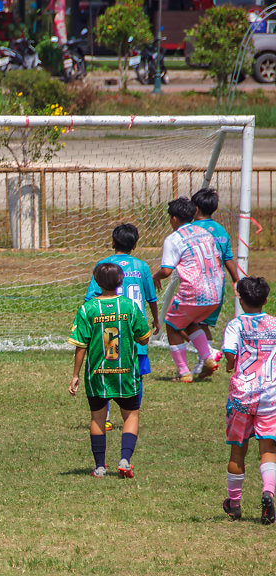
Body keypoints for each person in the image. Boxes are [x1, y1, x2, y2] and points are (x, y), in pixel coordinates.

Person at [69, 262, 152, 478]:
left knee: (97, 418)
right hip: (125, 372)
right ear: (121, 282)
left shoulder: (87, 309)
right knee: (131, 415)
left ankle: (100, 467)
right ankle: (124, 459)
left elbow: (81, 345)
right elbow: (143, 336)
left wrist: (76, 375)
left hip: (97, 374)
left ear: (96, 282)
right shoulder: (130, 306)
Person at [85, 224, 160, 431]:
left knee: (108, 368)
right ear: (135, 245)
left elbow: (90, 297)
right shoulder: (143, 267)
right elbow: (151, 297)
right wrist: (156, 319)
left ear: (113, 242)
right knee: (137, 373)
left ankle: (105, 417)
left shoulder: (103, 264)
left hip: (111, 329)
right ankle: (132, 414)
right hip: (136, 330)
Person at [220, 276, 276, 524]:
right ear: (266, 300)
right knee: (268, 450)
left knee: (237, 451)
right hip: (271, 396)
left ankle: (234, 504)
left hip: (243, 396)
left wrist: (231, 365)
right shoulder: (274, 324)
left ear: (240, 300)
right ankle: (268, 492)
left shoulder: (235, 325)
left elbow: (230, 355)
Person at [152, 197, 225, 383]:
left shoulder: (174, 238)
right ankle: (207, 357)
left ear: (174, 218)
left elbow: (166, 270)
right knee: (189, 322)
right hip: (216, 289)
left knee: (171, 325)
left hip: (194, 291)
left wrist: (155, 277)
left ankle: (184, 373)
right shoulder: (204, 232)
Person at [190, 187, 241, 375]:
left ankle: (208, 354)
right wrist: (236, 280)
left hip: (198, 283)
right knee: (202, 325)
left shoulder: (193, 230)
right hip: (217, 285)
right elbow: (227, 258)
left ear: (195, 208)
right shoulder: (221, 231)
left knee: (180, 323)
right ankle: (202, 363)